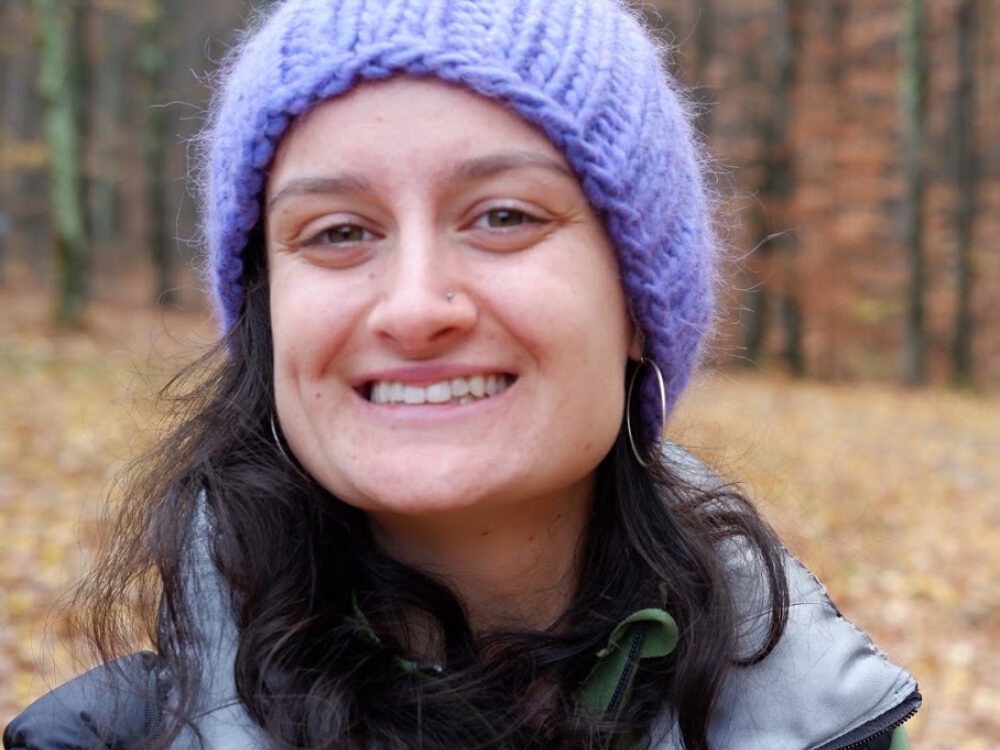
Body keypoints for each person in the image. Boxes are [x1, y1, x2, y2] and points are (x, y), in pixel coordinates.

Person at [3, 1, 920, 748]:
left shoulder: (835, 724)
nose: (413, 305)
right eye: (339, 232)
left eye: (505, 216)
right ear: (267, 312)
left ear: (641, 302)